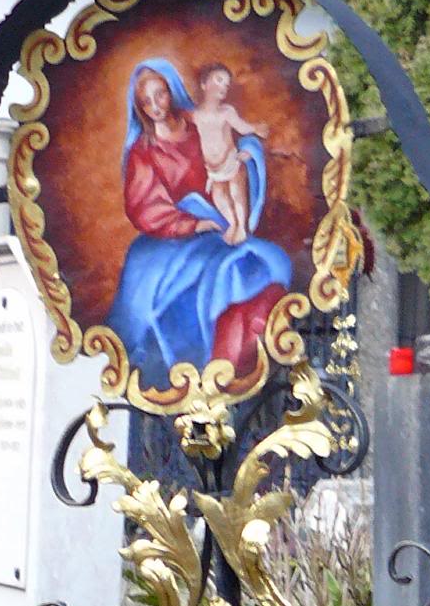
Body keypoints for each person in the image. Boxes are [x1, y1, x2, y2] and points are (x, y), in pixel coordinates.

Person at [106, 58, 291, 388]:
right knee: (162, 298)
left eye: (160, 95)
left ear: (172, 92)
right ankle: (189, 374)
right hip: (174, 233)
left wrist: (246, 154)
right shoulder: (143, 151)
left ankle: (233, 365)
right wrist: (189, 225)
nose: (155, 106)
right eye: (146, 102)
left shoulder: (196, 124)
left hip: (221, 219)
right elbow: (143, 205)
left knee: (258, 265)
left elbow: (236, 142)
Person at [190, 61, 266, 246]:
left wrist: (256, 129)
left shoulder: (226, 112)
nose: (224, 86)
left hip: (231, 162)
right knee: (220, 197)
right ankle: (232, 224)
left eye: (226, 83)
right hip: (212, 170)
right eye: (219, 80)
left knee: (237, 194)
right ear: (204, 84)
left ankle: (241, 226)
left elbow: (242, 127)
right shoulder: (194, 116)